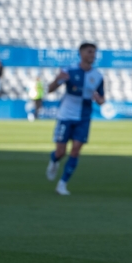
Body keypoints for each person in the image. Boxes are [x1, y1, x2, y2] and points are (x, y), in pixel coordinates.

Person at [45, 43, 105, 196]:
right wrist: (57, 79)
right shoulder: (69, 70)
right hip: (65, 116)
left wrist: (99, 99)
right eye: (89, 52)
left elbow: (102, 99)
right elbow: (50, 89)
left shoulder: (98, 76)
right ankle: (54, 160)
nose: (92, 55)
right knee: (61, 151)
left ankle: (62, 184)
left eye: (94, 52)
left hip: (84, 117)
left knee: (76, 149)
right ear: (81, 53)